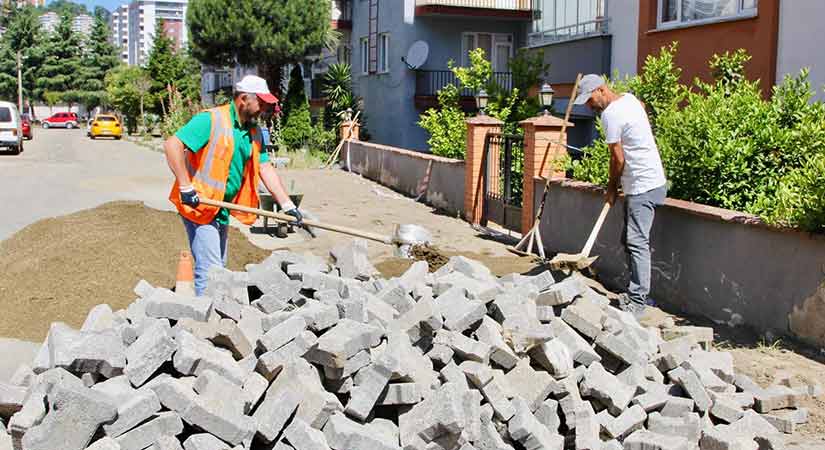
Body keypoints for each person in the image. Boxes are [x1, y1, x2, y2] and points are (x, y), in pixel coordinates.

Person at [164, 75, 301, 296]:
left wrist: (287, 205)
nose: (264, 108)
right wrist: (185, 186)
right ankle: (206, 325)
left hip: (220, 207)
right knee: (211, 272)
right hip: (199, 205)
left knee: (219, 266)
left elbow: (265, 168)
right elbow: (172, 145)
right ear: (244, 99)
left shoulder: (254, 132)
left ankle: (214, 314)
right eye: (261, 103)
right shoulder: (211, 120)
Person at [573, 74, 668, 318]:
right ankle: (638, 294)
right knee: (631, 240)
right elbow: (642, 111)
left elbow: (618, 158)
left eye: (590, 99)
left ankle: (639, 303)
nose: (589, 105)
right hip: (651, 180)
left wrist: (611, 188)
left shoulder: (610, 115)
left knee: (637, 243)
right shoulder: (630, 100)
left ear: (602, 90)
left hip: (641, 185)